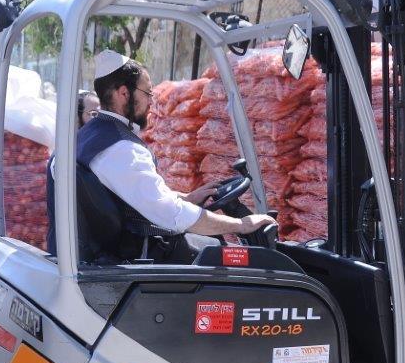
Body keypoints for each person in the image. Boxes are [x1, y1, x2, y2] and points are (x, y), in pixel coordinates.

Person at [47, 49, 275, 264]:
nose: (151, 101)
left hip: (96, 253)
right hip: (118, 256)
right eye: (147, 93)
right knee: (214, 253)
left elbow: (129, 192)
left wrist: (186, 198)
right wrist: (241, 224)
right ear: (124, 93)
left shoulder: (85, 136)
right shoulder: (122, 148)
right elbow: (173, 217)